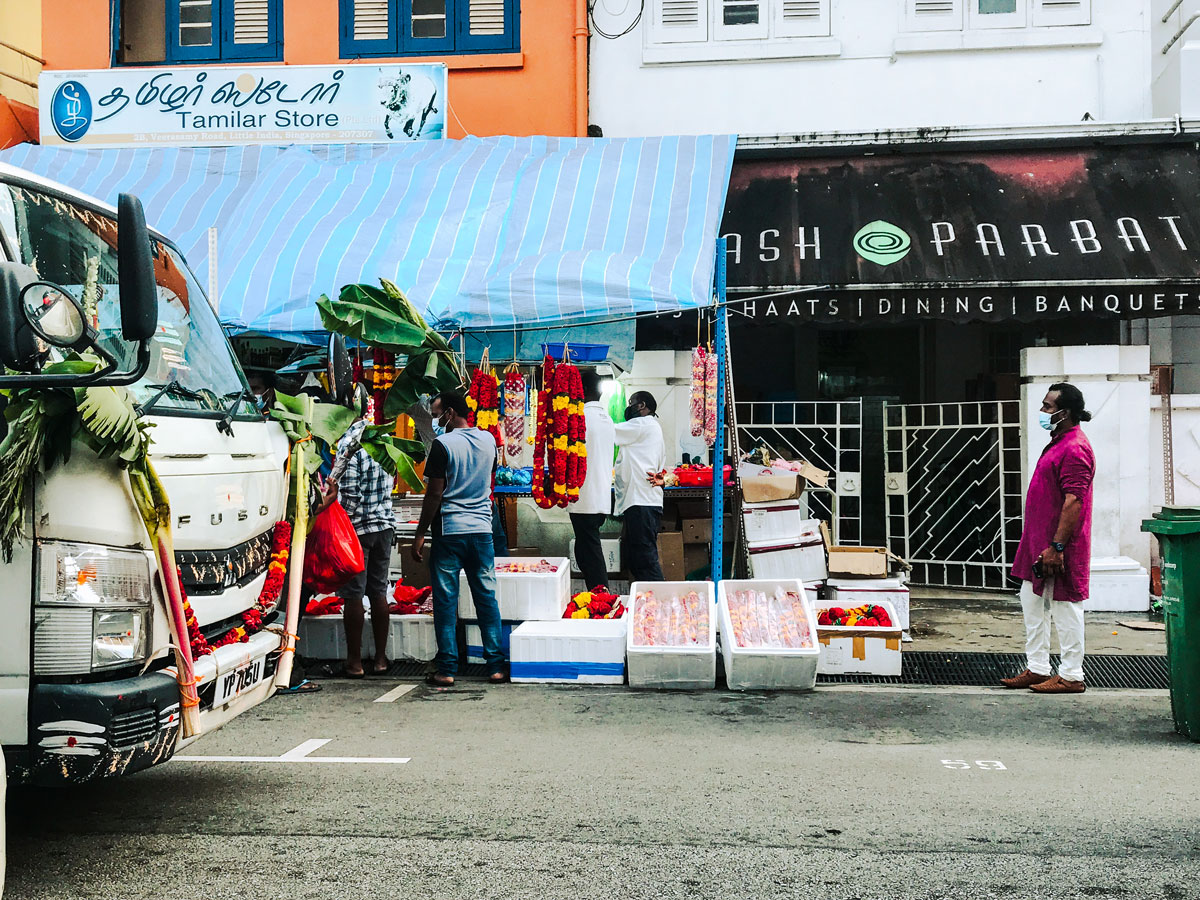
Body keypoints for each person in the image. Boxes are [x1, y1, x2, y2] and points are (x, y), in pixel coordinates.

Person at [1002, 383, 1095, 695]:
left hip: (1057, 547)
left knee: (1064, 608)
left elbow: (1074, 502)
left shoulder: (1075, 448)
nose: (1042, 412)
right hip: (1038, 545)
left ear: (1064, 413)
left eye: (1047, 407)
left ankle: (1072, 674)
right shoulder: (1058, 443)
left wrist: (1057, 547)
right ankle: (1039, 666)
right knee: (1032, 601)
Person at [412, 390, 506, 686]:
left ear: (450, 413)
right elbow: (488, 478)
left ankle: (448, 669)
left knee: (445, 601)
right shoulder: (489, 439)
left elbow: (435, 492)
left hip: (450, 532)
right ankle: (495, 666)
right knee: (486, 599)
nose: (436, 420)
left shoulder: (443, 444)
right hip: (481, 530)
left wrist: (420, 533)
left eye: (438, 414)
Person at [336, 398, 396, 678]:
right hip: (383, 527)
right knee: (379, 592)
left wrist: (339, 526)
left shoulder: (350, 444)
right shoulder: (383, 439)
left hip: (356, 531)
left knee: (354, 596)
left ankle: (355, 662)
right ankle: (381, 659)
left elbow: (350, 495)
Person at [570, 370, 616, 590]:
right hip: (600, 497)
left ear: (583, 390)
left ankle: (601, 595)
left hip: (584, 497)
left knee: (590, 549)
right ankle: (595, 592)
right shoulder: (607, 419)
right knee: (585, 546)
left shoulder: (581, 418)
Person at [614, 390, 667, 582]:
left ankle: (658, 600)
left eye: (631, 403)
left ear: (642, 405)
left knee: (645, 559)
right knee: (637, 558)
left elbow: (608, 431)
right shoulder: (652, 427)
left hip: (641, 501)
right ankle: (647, 600)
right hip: (642, 501)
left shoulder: (642, 424)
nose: (629, 407)